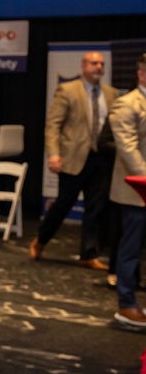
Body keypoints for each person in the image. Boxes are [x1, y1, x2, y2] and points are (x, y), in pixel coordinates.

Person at [29, 52, 117, 268]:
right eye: (94, 63)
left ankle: (88, 254)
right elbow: (53, 125)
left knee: (95, 208)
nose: (98, 67)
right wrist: (54, 154)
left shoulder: (111, 93)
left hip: (101, 158)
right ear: (84, 65)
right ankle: (41, 239)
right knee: (63, 204)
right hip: (73, 158)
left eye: (101, 64)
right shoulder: (68, 90)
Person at [107, 53, 146, 328]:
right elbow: (128, 148)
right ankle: (126, 305)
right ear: (141, 74)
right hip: (136, 190)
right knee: (131, 247)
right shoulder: (127, 104)